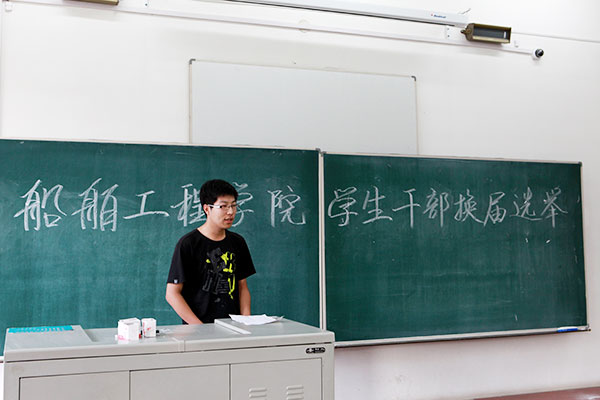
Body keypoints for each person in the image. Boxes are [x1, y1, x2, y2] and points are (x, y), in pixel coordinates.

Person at [166, 179, 256, 324]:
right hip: (198, 329)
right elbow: (172, 294)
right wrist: (199, 328)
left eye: (233, 205)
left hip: (233, 327)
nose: (230, 212)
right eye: (223, 206)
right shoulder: (188, 243)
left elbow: (242, 287)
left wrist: (246, 320)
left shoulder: (237, 242)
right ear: (207, 209)